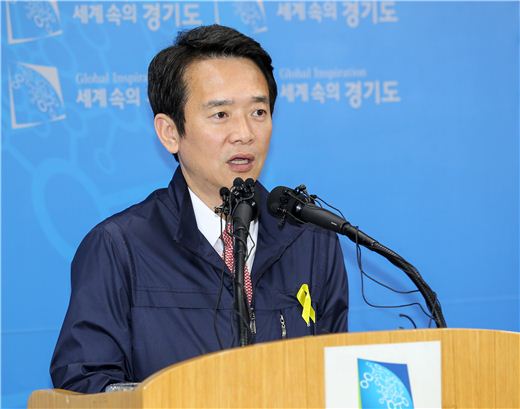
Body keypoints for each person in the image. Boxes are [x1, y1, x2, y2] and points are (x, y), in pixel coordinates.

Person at [50, 24, 348, 393]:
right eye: (221, 115)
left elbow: (335, 377)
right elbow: (85, 385)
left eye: (258, 111)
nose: (245, 133)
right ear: (170, 132)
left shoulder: (311, 239)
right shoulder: (119, 247)